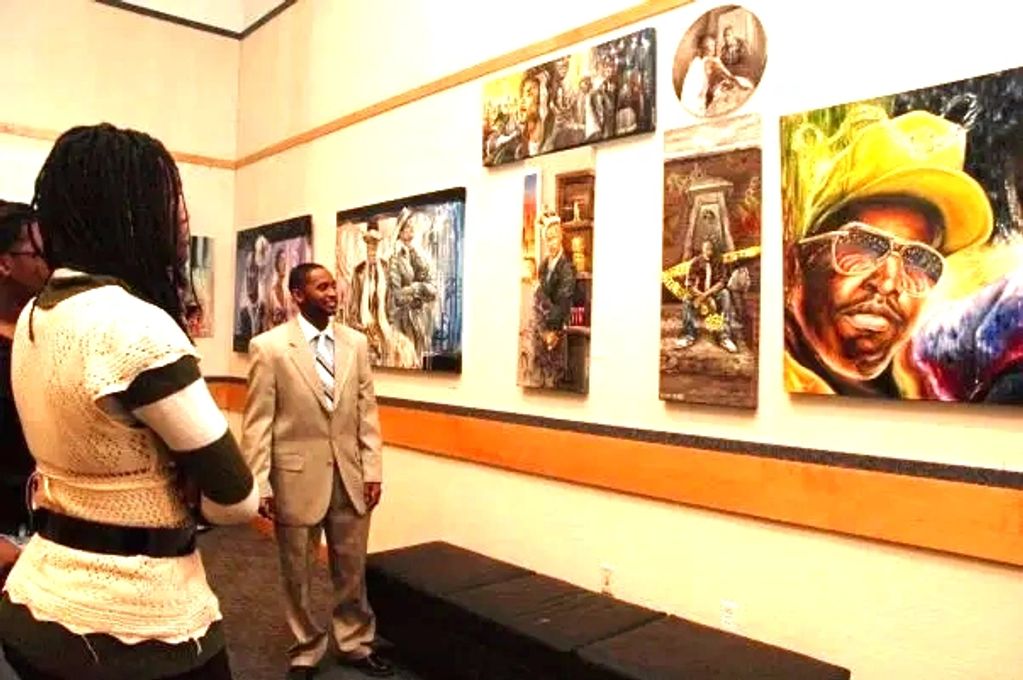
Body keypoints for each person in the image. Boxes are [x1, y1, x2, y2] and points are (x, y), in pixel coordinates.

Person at [0, 123, 258, 679]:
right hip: (138, 627)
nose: (182, 217)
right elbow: (238, 499)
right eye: (170, 198)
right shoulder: (135, 326)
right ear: (128, 210)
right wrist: (180, 486)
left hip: (35, 603)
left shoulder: (34, 315)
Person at [242, 263, 392, 680]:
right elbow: (258, 422)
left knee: (352, 569)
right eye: (321, 287)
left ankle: (355, 642)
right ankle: (305, 649)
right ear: (297, 295)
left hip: (350, 474)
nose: (332, 293)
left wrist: (373, 469)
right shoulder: (269, 348)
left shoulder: (355, 343)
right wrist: (260, 482)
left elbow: (366, 411)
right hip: (295, 478)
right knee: (298, 572)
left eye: (333, 286)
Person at [785, 109, 993, 397]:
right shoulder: (781, 378)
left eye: (918, 260)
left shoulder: (917, 387)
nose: (888, 283)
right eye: (862, 247)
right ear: (795, 265)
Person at [0, 201, 48, 586]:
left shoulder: (48, 333)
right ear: (5, 264)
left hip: (47, 533)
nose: (49, 264)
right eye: (37, 254)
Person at [530, 214, 576, 388]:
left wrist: (539, 292)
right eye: (548, 239)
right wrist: (540, 331)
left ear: (561, 236)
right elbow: (536, 305)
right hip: (540, 337)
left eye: (554, 238)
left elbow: (561, 309)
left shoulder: (567, 269)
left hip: (555, 339)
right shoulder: (543, 266)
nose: (551, 243)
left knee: (553, 384)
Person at [387, 208, 436, 362]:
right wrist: (419, 290)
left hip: (420, 321)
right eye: (407, 226)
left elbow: (432, 290)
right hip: (403, 322)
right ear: (400, 232)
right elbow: (397, 296)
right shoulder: (394, 259)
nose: (411, 228)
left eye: (411, 225)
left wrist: (415, 288)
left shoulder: (418, 256)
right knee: (406, 361)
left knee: (420, 361)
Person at [676, 238, 738, 353]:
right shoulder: (696, 262)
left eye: (711, 249)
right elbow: (689, 285)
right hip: (698, 293)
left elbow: (722, 282)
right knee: (686, 298)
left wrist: (706, 297)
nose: (709, 251)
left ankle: (724, 336)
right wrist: (700, 296)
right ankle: (688, 335)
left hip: (712, 294)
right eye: (706, 249)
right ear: (702, 249)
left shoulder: (719, 261)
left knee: (725, 294)